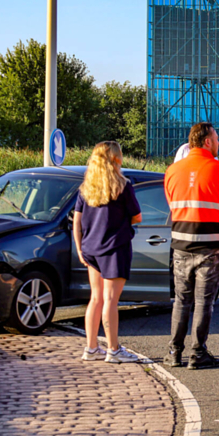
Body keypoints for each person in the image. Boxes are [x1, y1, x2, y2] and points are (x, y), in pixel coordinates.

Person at [163, 122, 219, 369]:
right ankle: (198, 353)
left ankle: (174, 353)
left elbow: (172, 205)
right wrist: (215, 221)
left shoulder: (172, 171)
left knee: (181, 300)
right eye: (217, 138)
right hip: (212, 246)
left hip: (181, 245)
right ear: (207, 141)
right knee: (204, 302)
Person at [73, 141, 143, 363]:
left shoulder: (86, 188)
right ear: (116, 159)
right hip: (115, 248)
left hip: (91, 248)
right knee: (111, 300)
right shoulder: (123, 186)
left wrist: (79, 248)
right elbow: (137, 217)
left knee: (95, 299)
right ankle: (113, 349)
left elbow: (77, 221)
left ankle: (91, 348)